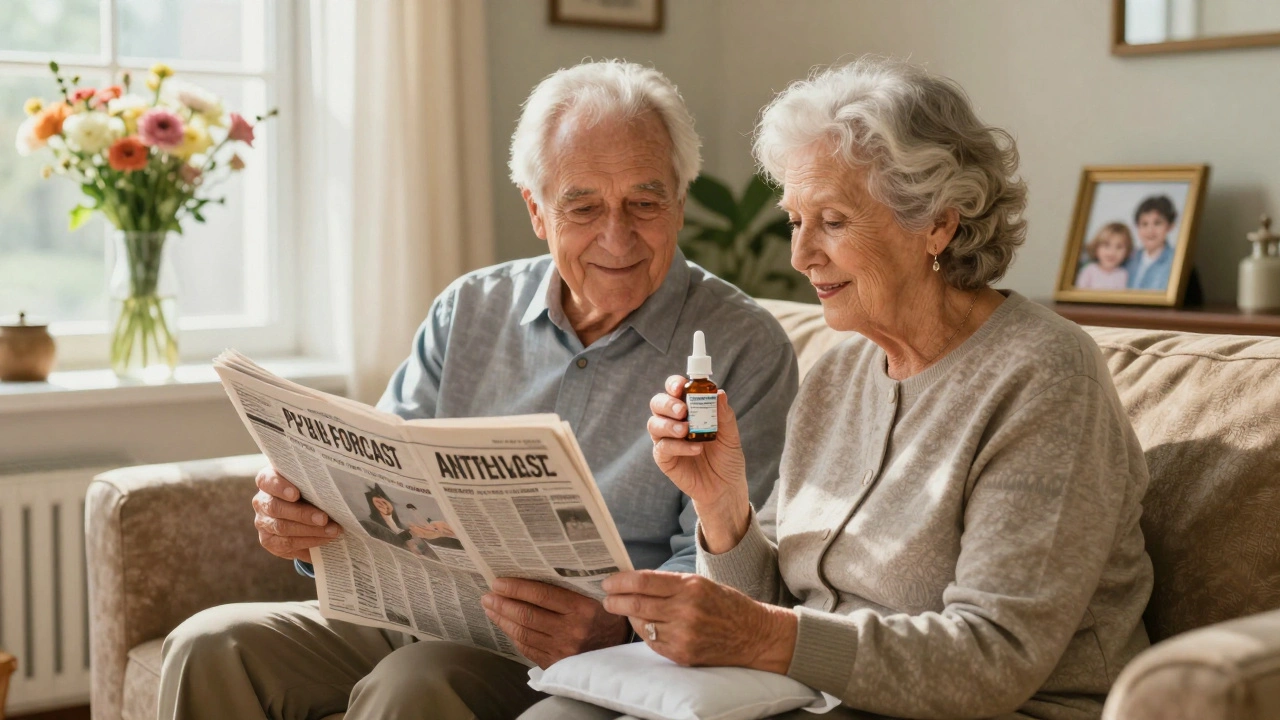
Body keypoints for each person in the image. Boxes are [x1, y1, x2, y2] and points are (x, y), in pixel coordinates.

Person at [158, 61, 799, 720]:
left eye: (645, 201)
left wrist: (623, 628)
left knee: (416, 680)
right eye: (583, 206)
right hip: (421, 614)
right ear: (537, 211)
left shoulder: (744, 349)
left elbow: (726, 566)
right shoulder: (470, 307)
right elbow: (375, 478)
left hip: (589, 652)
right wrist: (306, 513)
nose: (618, 235)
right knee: (211, 644)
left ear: (679, 201)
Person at [523, 58, 1153, 720]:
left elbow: (994, 655)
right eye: (796, 220)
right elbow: (775, 600)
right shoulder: (838, 371)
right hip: (810, 700)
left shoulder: (1044, 375)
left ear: (937, 222)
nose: (800, 256)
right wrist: (722, 505)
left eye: (832, 220)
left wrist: (766, 638)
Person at [1125, 195, 1178, 290]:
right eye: (1144, 224)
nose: (1150, 231)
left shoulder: (1176, 260)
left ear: (1170, 226)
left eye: (1157, 223)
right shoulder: (1129, 258)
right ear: (1137, 227)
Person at [1074, 221, 1133, 290]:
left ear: (1127, 251)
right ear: (1096, 247)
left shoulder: (1123, 275)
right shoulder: (1089, 271)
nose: (1112, 252)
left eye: (1119, 247)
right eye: (1106, 245)